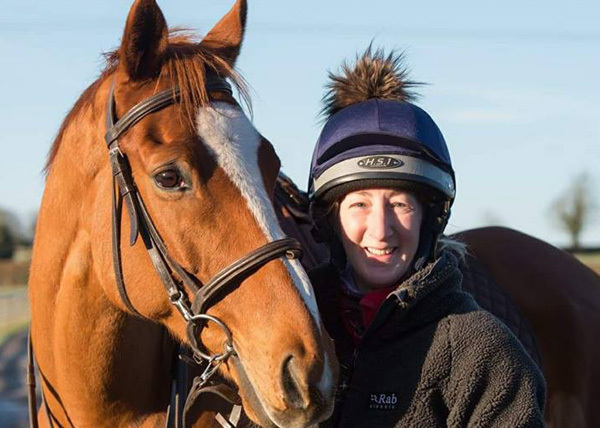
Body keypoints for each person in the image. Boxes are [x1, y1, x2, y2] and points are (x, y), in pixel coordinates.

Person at [307, 47, 546, 427]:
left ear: (429, 218)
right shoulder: (295, 335)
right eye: (359, 205)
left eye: (400, 205)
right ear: (331, 220)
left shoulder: (483, 351)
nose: (381, 230)